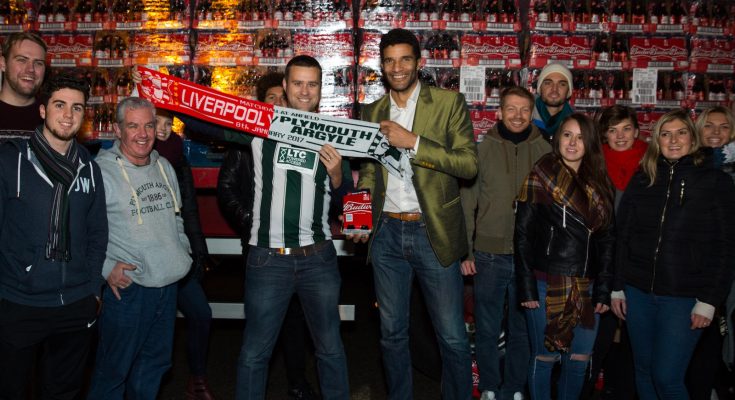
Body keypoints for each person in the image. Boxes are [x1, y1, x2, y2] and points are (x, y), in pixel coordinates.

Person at [179, 55, 352, 400]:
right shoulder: (258, 128)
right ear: (285, 87)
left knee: (330, 349)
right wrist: (166, 92)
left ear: (321, 90)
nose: (304, 91)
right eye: (297, 83)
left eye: (312, 84)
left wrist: (336, 178)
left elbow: (346, 205)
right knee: (255, 353)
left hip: (318, 260)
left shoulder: (333, 137)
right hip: (267, 260)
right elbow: (203, 120)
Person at [353, 28, 478, 400]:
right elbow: (370, 171)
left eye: (405, 59)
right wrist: (358, 218)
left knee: (452, 335)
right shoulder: (371, 111)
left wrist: (414, 143)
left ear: (419, 63)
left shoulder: (448, 103)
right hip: (387, 234)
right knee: (391, 333)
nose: (398, 67)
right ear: (382, 65)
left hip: (432, 231)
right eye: (390, 60)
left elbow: (468, 165)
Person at [611, 109, 735, 400]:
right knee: (643, 369)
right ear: (657, 141)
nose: (674, 140)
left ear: (692, 138)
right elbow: (622, 235)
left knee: (667, 377)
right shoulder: (643, 179)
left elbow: (726, 246)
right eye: (665, 134)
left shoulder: (715, 183)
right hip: (638, 292)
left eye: (681, 133)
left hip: (684, 298)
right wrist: (617, 286)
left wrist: (709, 301)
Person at [0, 74, 107, 399]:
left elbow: (97, 232)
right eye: (60, 105)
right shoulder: (11, 160)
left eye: (77, 108)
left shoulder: (89, 167)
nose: (68, 115)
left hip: (75, 305)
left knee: (63, 392)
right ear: (43, 110)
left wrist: (93, 291)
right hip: (19, 302)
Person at [216, 72, 316, 400]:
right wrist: (255, 223)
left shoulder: (299, 140)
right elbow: (228, 189)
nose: (276, 104)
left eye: (281, 99)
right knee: (260, 328)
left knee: (295, 321)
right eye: (270, 99)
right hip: (260, 247)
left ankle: (297, 382)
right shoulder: (248, 141)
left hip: (298, 252)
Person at [87, 97, 192, 399]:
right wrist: (106, 268)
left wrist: (181, 251)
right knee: (113, 372)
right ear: (118, 130)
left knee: (154, 367)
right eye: (133, 126)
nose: (143, 134)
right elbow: (81, 232)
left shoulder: (164, 167)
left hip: (168, 286)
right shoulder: (101, 173)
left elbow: (177, 217)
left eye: (149, 125)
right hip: (129, 291)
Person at [514, 113, 615, 400]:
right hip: (546, 283)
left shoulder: (600, 181)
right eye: (567, 135)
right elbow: (522, 234)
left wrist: (604, 289)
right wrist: (526, 285)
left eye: (581, 137)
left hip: (587, 286)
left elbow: (608, 238)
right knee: (545, 358)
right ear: (557, 139)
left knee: (579, 360)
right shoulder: (541, 174)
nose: (573, 142)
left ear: (590, 142)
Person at [460, 86, 550, 400]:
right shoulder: (482, 148)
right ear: (498, 112)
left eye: (524, 110)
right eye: (511, 109)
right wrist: (467, 250)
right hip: (489, 254)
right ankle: (488, 387)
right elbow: (468, 201)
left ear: (532, 114)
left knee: (522, 328)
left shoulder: (545, 151)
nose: (517, 116)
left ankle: (513, 388)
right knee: (486, 327)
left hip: (529, 258)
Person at [152, 108, 215, 399]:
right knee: (154, 330)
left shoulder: (178, 159)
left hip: (180, 256)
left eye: (168, 124)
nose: (163, 130)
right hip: (148, 263)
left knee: (201, 314)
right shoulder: (133, 160)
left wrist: (199, 252)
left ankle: (197, 377)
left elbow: (189, 211)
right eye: (157, 123)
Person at [582, 105, 644, 399]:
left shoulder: (653, 162)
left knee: (638, 342)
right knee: (599, 338)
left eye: (626, 129)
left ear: (637, 131)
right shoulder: (593, 164)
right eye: (612, 130)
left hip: (639, 264)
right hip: (603, 261)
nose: (620, 136)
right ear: (603, 134)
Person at [686, 105, 735, 400]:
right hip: (696, 269)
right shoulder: (687, 166)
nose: (716, 133)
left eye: (724, 126)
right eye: (709, 126)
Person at [0, 32, 47, 140]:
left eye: (38, 63)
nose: (30, 69)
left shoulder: (53, 117)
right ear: (3, 64)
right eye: (22, 60)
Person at [530, 63, 574, 141]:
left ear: (569, 92)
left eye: (562, 84)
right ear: (539, 88)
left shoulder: (577, 125)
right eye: (548, 83)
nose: (554, 89)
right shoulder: (524, 118)